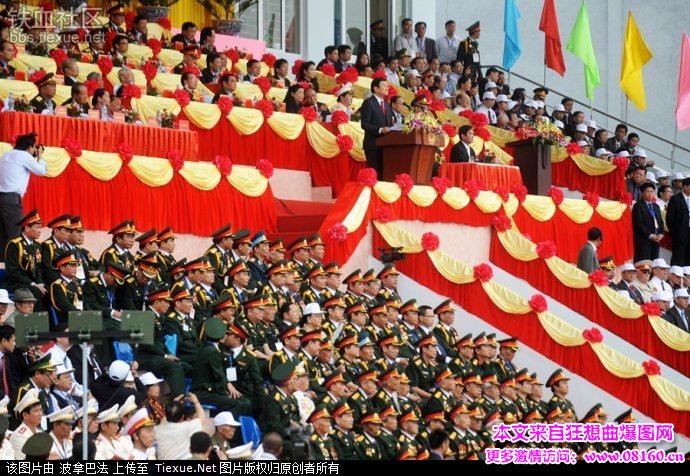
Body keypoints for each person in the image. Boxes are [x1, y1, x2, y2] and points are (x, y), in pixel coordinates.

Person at [0, 134, 47, 260]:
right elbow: (41, 171)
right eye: (33, 147)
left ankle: (3, 264)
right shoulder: (24, 156)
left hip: (2, 197)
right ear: (29, 147)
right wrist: (40, 156)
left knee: (3, 234)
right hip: (11, 199)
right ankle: (15, 264)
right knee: (16, 233)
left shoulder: (7, 155)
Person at [360, 78, 393, 179]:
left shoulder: (387, 104)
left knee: (384, 175)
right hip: (373, 145)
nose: (387, 87)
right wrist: (380, 130)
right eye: (384, 85)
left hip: (386, 146)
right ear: (376, 88)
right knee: (374, 175)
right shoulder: (368, 103)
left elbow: (390, 124)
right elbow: (364, 124)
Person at [632, 182, 664, 262]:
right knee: (644, 265)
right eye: (647, 191)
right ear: (642, 193)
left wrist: (661, 234)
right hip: (644, 241)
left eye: (652, 191)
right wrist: (650, 235)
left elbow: (661, 222)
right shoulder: (638, 206)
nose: (650, 194)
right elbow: (639, 223)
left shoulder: (656, 206)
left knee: (654, 265)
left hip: (656, 241)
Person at [665, 177, 690, 266]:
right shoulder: (675, 199)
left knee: (688, 258)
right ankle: (674, 278)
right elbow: (669, 218)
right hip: (679, 234)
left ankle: (687, 277)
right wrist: (675, 233)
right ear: (686, 187)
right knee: (678, 258)